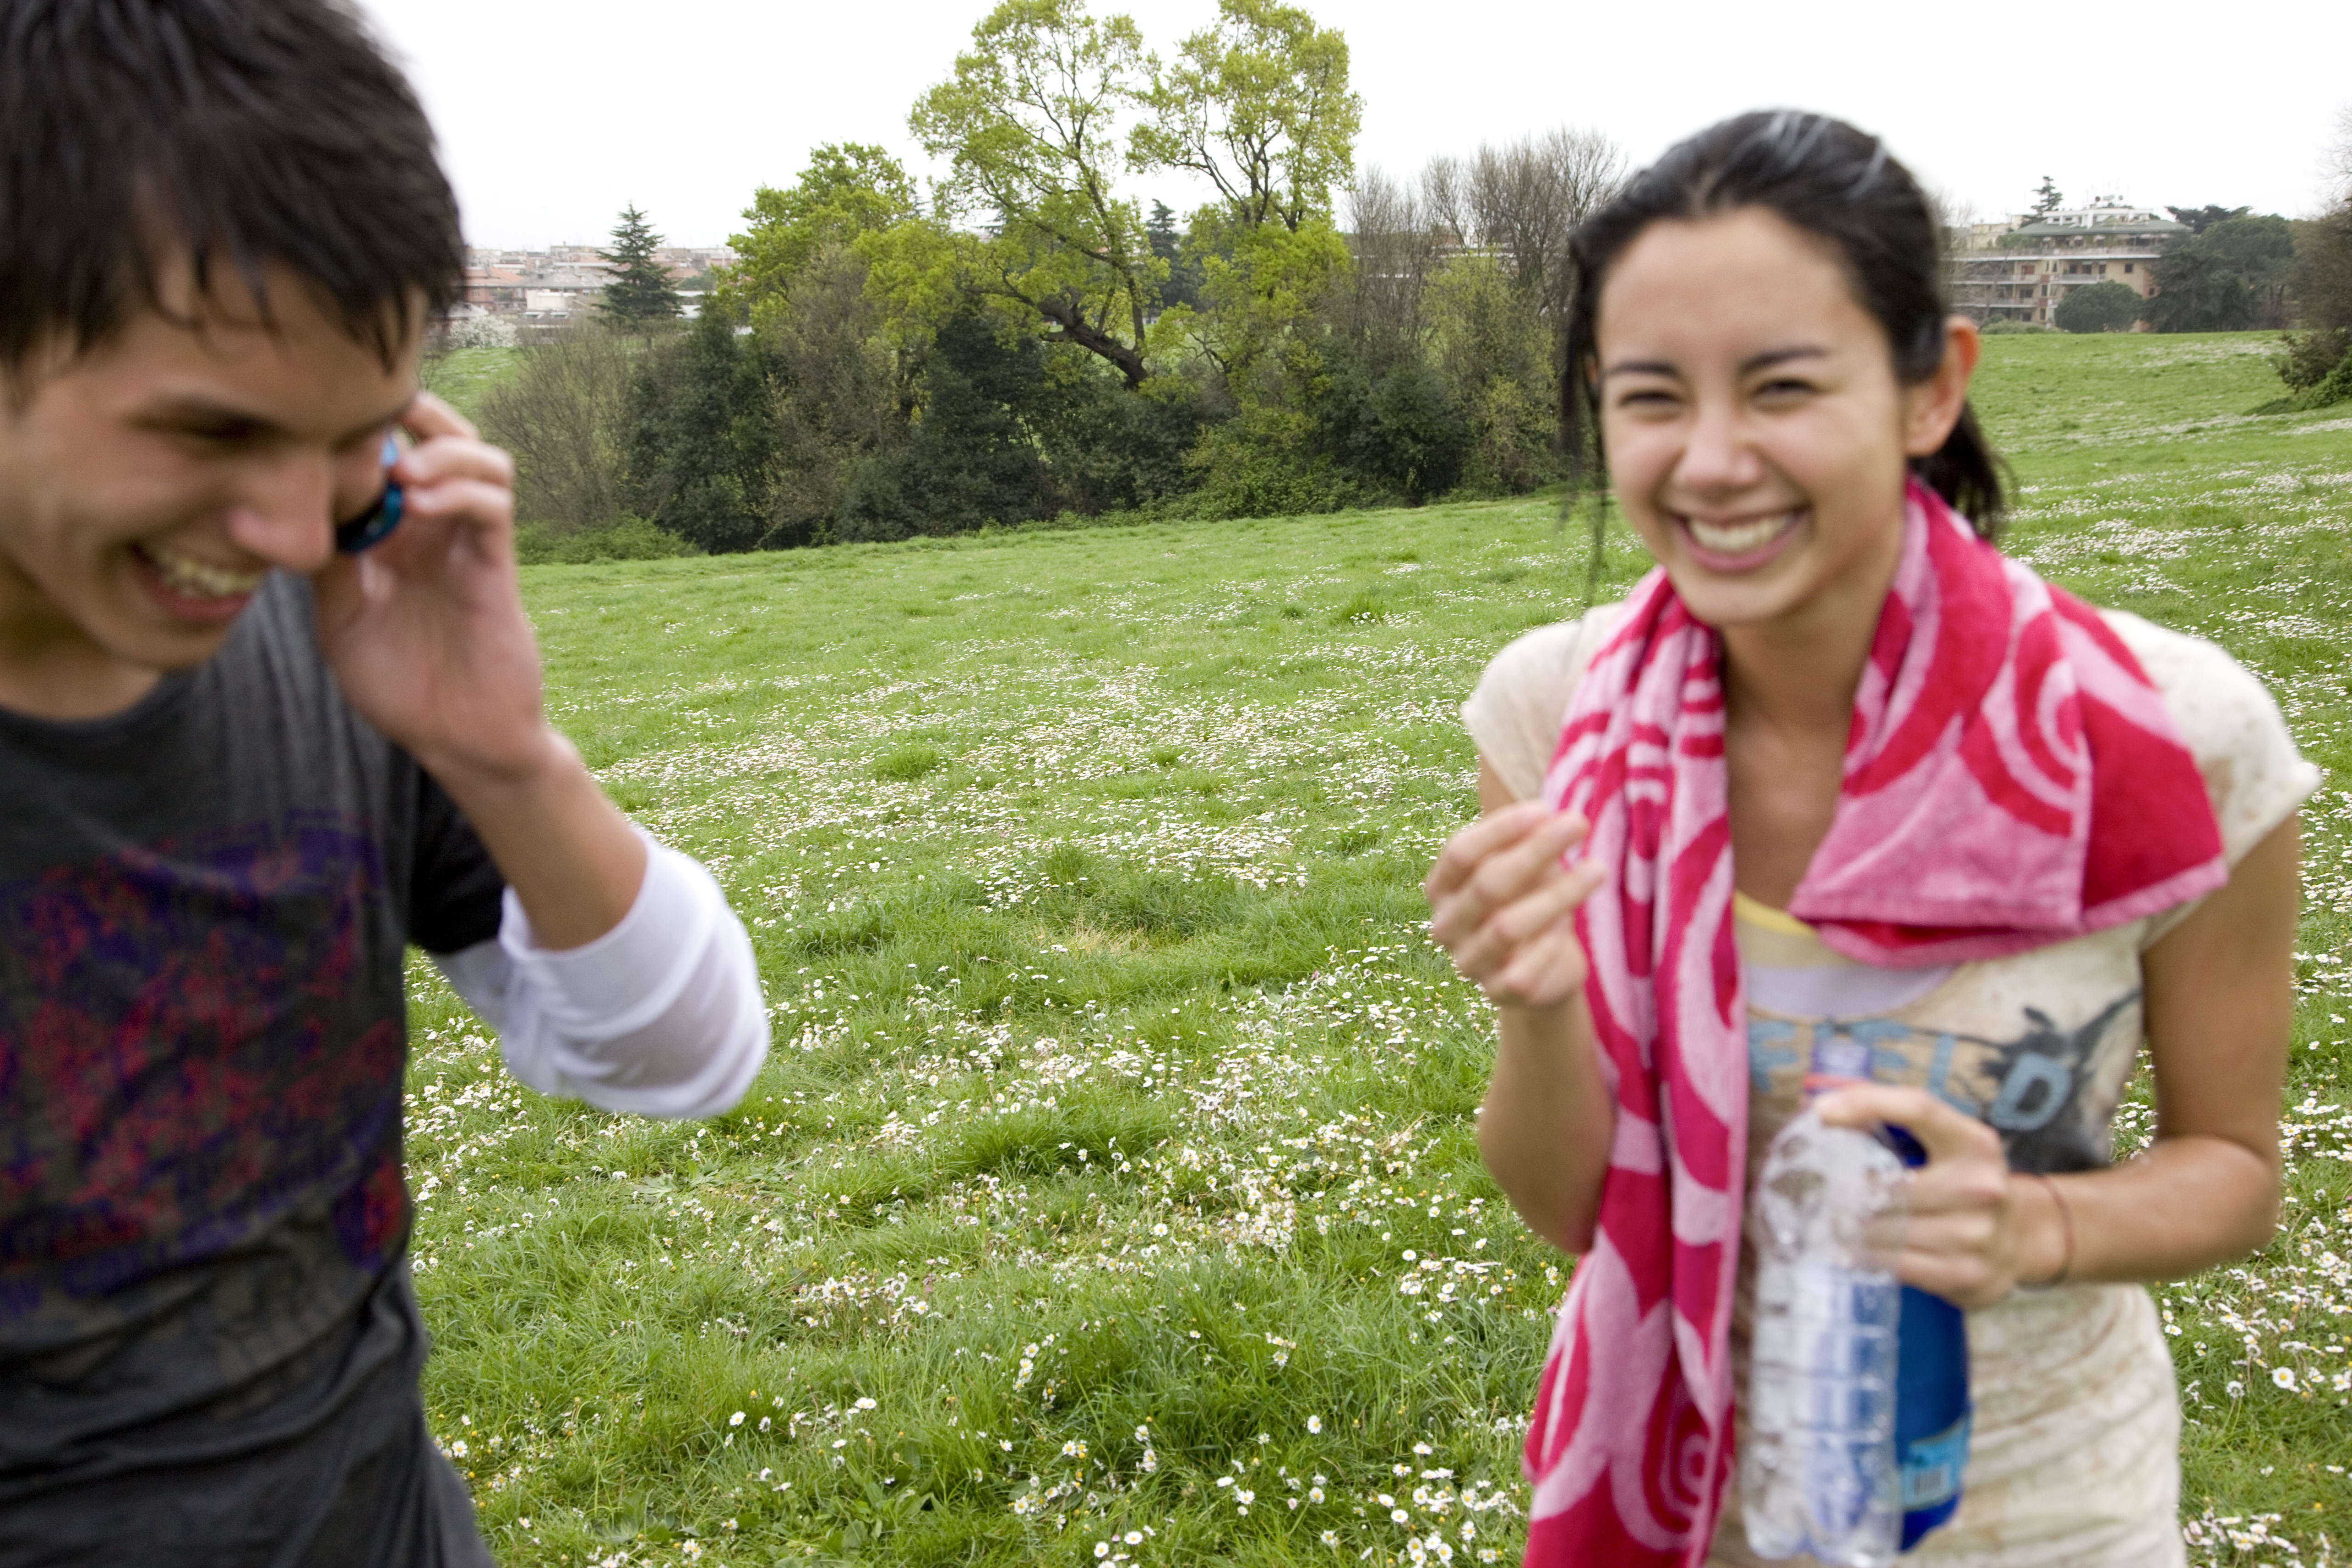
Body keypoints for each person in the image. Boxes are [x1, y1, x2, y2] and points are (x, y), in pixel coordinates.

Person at [1425, 111, 2309, 1568]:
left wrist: (2037, 1229)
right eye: (1653, 397)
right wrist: (1540, 1001)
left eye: (1782, 386)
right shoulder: (1556, 717)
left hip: (2041, 1513)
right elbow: (1569, 1206)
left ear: (1931, 388)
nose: (1713, 461)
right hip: (1701, 1506)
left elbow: (2235, 1167)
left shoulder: (2179, 736)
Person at [0, 2, 769, 1562]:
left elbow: (681, 1055)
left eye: (350, 439)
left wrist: (502, 754)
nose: (293, 533)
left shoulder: (323, 636)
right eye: (210, 432)